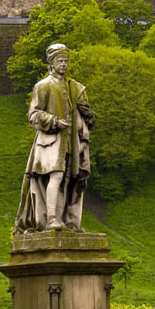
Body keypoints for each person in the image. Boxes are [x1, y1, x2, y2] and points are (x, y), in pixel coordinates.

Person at [14, 43, 95, 233]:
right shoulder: (43, 86)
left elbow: (88, 116)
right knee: (56, 176)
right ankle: (51, 219)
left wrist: (87, 114)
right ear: (51, 63)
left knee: (70, 180)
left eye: (66, 61)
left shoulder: (75, 87)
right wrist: (53, 121)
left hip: (71, 143)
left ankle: (66, 221)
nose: (64, 65)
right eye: (60, 61)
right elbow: (33, 114)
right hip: (50, 142)